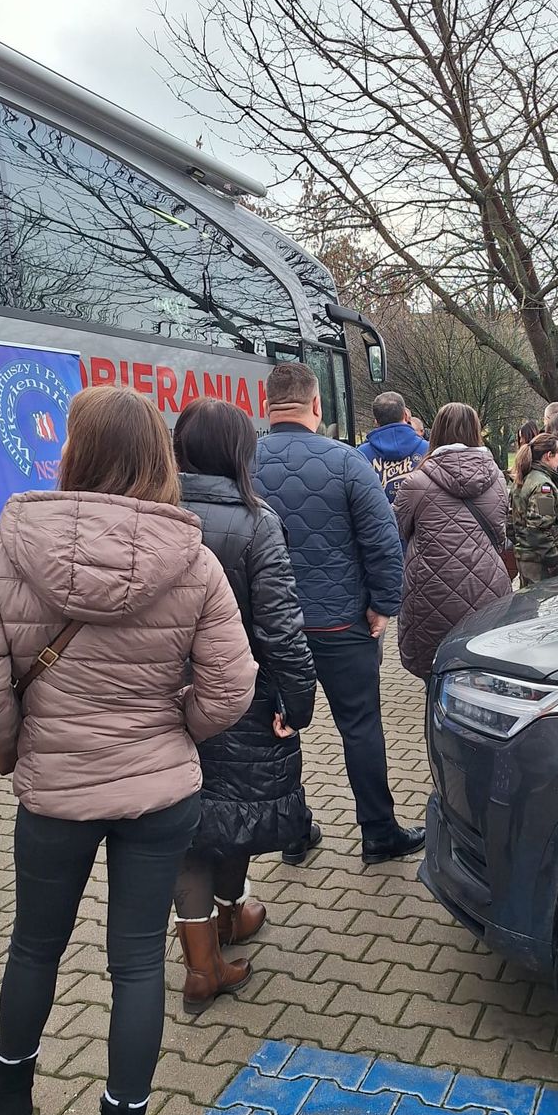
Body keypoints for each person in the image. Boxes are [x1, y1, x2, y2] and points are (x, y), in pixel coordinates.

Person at [0, 387, 258, 1115]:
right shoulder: (194, 559)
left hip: (54, 791)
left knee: (35, 945)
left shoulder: (6, 549)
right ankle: (125, 1112)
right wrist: (178, 731)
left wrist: (10, 744)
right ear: (158, 456)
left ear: (73, 451)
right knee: (139, 959)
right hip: (160, 794)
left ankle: (10, 1092)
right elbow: (232, 684)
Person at [172, 398, 317, 1015]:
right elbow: (281, 628)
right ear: (240, 452)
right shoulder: (257, 523)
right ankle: (228, 922)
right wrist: (299, 700)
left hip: (164, 700)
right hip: (240, 697)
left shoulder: (153, 515)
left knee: (189, 827)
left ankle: (202, 958)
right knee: (230, 815)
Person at [255, 362, 425, 865]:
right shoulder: (347, 462)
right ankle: (378, 831)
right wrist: (381, 607)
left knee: (279, 725)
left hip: (271, 628)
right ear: (316, 405)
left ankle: (293, 833)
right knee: (361, 726)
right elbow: (383, 542)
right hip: (340, 623)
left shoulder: (243, 461)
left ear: (267, 405)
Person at [393, 402, 512, 678]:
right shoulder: (497, 480)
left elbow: (398, 528)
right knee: (483, 671)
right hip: (489, 586)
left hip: (430, 591)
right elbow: (501, 531)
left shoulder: (415, 483)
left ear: (436, 434)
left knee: (436, 672)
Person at [511, 433, 558, 586]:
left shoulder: (524, 478)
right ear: (548, 456)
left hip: (526, 556)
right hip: (539, 562)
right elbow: (540, 528)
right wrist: (554, 559)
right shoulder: (543, 487)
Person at [357, 391, 430, 505]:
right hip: (422, 521)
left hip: (379, 521)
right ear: (405, 416)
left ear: (376, 421)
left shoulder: (360, 455)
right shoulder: (429, 450)